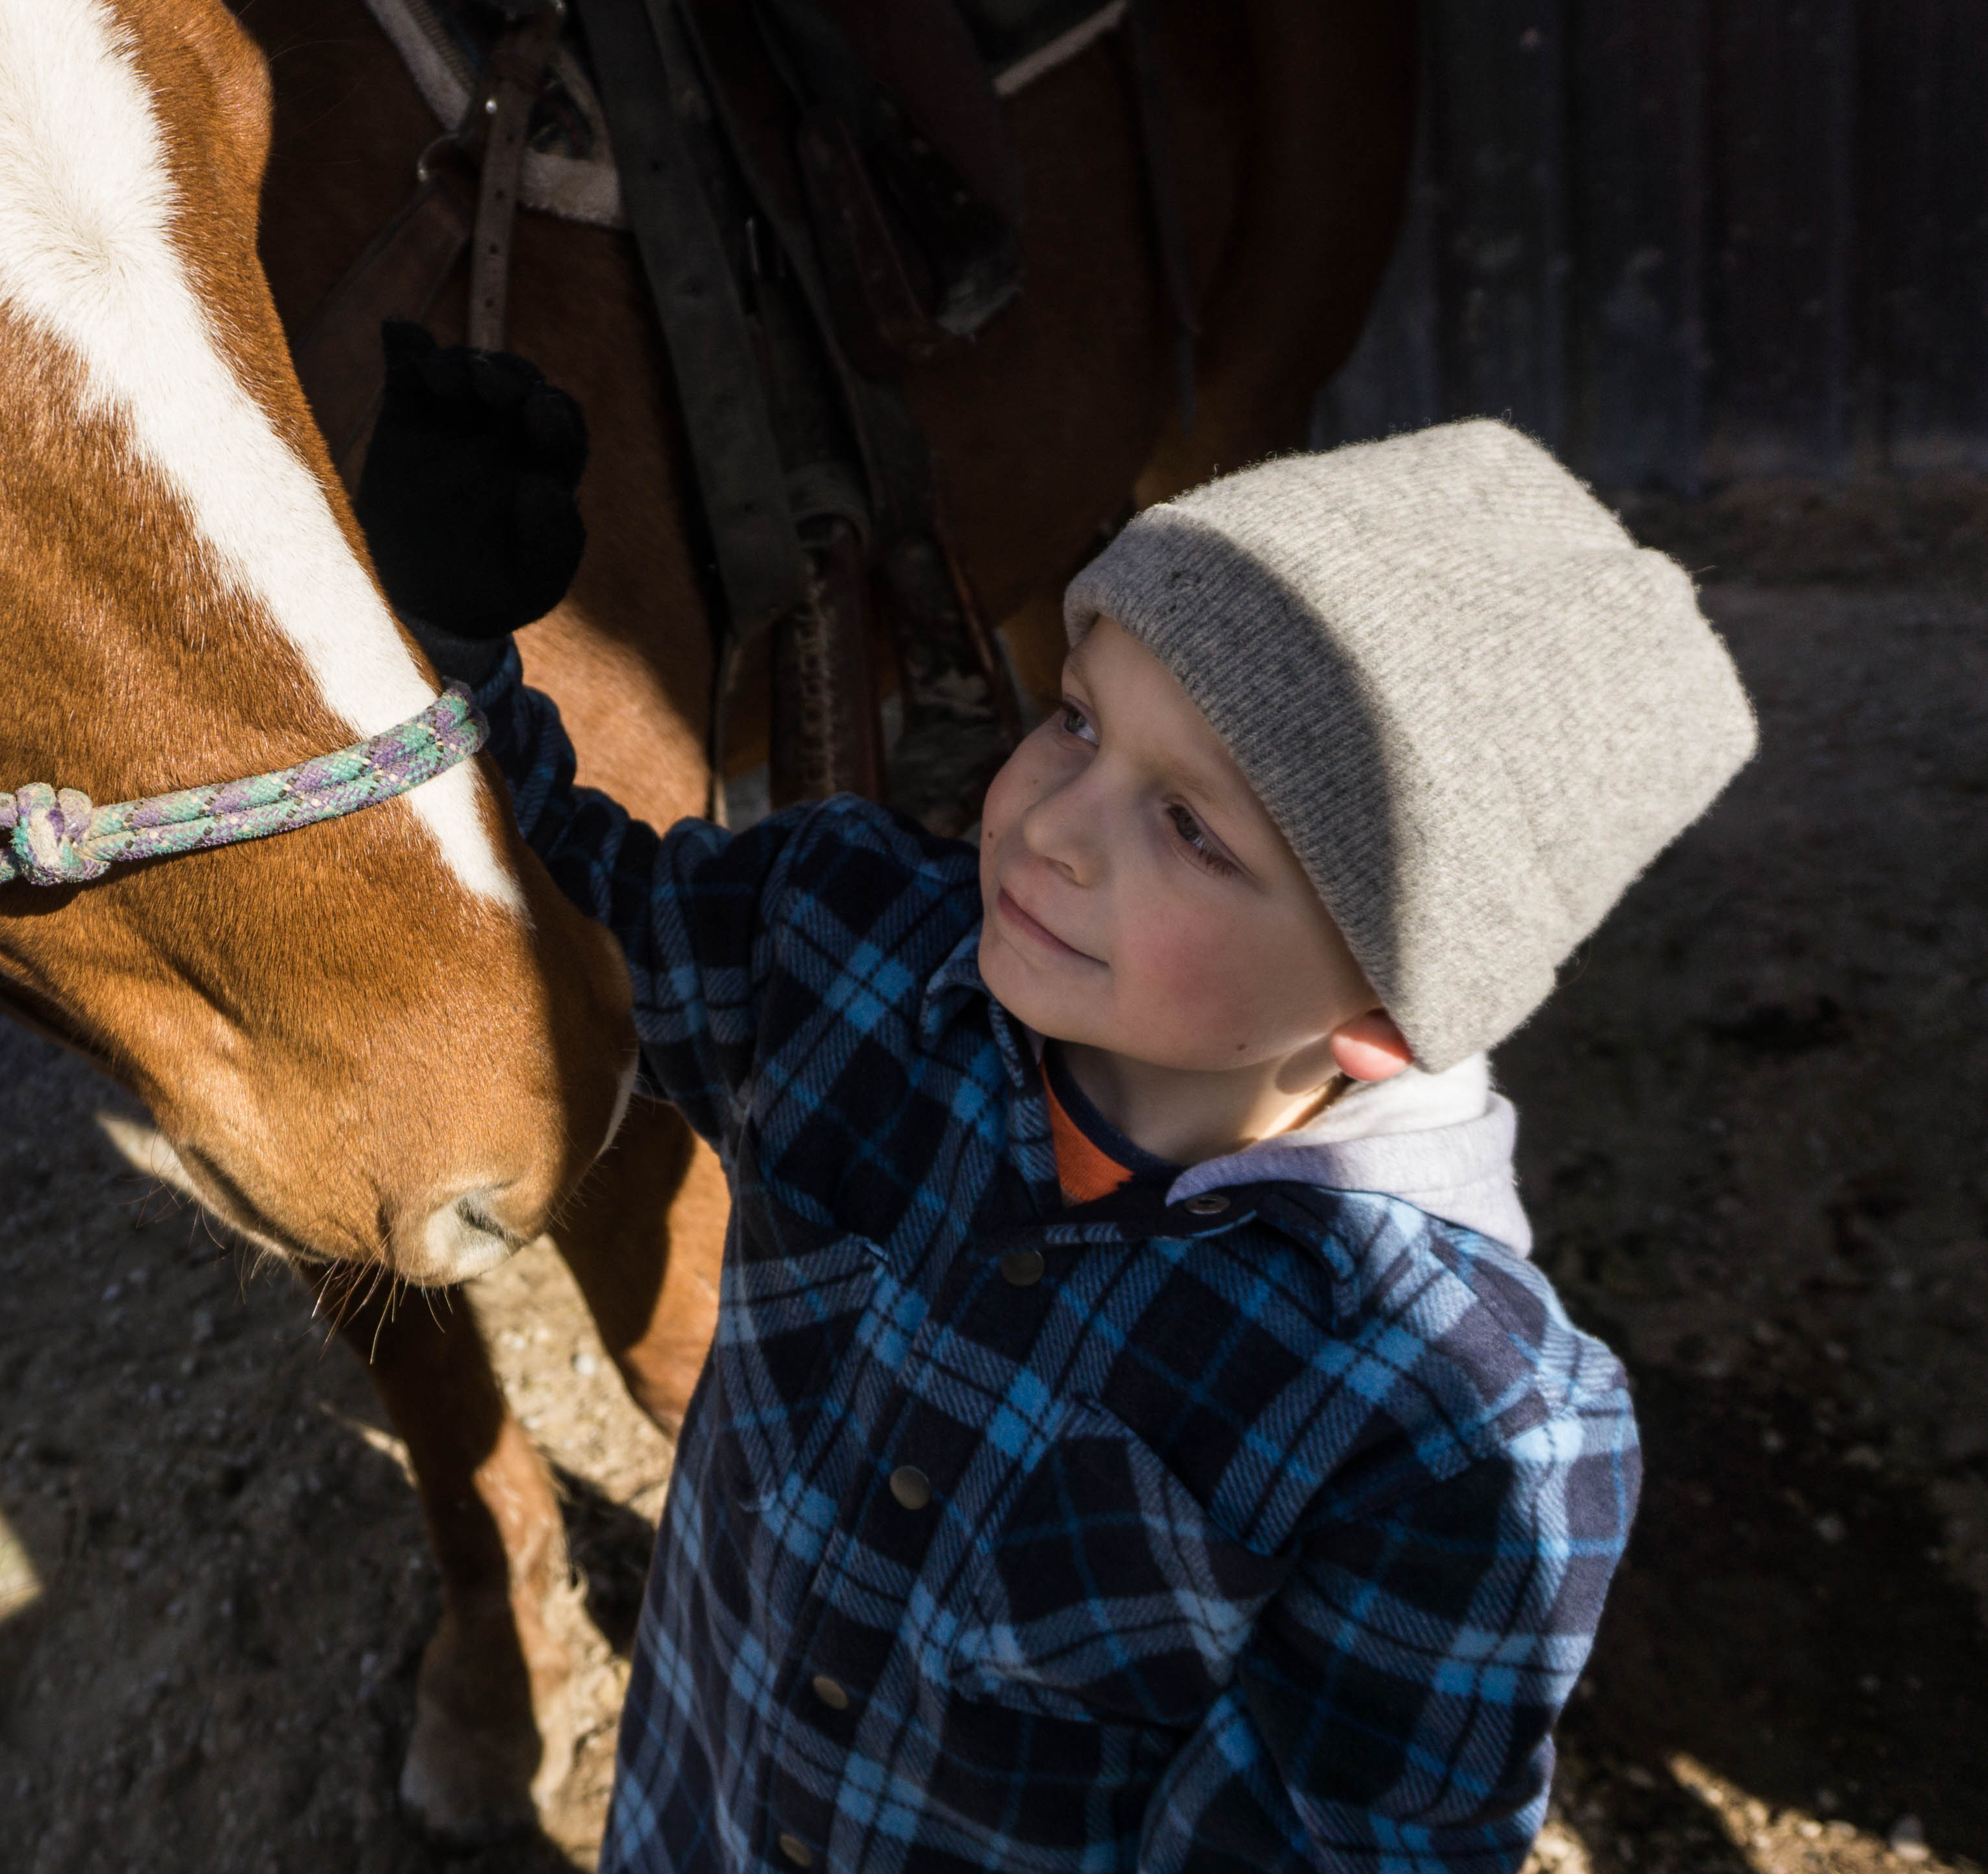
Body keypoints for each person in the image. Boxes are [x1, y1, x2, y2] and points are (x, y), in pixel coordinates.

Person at [351, 325, 1759, 1873]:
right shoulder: (853, 944)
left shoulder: (1455, 1438)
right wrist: (449, 642)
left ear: (1380, 1016)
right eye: (1078, 719)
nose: (1049, 826)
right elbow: (577, 899)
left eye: (1191, 829)